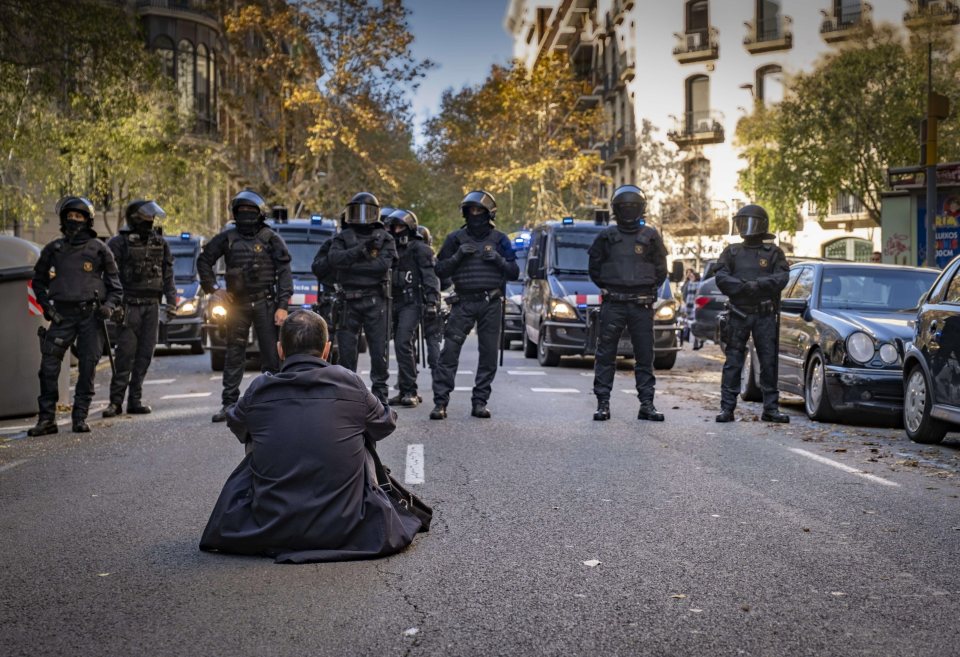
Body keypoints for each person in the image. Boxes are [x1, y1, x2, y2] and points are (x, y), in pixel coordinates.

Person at [199, 309, 423, 563]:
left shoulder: (259, 389)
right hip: (347, 524)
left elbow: (237, 424)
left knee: (256, 433)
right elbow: (385, 423)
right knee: (363, 431)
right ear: (327, 350)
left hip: (271, 525)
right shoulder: (349, 382)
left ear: (280, 350)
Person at [28, 196, 123, 435]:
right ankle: (47, 420)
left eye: (78, 216)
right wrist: (46, 308)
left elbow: (116, 288)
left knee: (87, 368)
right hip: (61, 316)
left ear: (88, 220)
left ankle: (79, 417)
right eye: (69, 216)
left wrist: (108, 307)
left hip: (90, 316)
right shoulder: (54, 249)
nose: (73, 220)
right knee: (48, 368)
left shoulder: (100, 249)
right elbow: (37, 281)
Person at [198, 190, 293, 422]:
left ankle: (273, 403)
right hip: (237, 305)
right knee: (234, 353)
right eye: (242, 211)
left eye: (251, 211)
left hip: (265, 302)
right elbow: (204, 261)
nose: (246, 216)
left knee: (271, 356)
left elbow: (284, 272)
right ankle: (229, 403)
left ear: (260, 214)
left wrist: (282, 305)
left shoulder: (271, 238)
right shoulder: (228, 238)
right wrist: (214, 289)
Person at [430, 190, 519, 420]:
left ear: (489, 213)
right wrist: (458, 256)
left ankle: (480, 402)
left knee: (488, 354)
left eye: (480, 210)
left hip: (491, 302)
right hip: (464, 302)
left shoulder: (500, 240)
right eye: (471, 210)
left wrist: (498, 259)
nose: (475, 214)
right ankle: (440, 403)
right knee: (449, 352)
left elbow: (514, 272)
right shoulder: (455, 239)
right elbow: (439, 270)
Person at [588, 185, 667, 422]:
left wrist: (644, 289)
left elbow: (661, 270)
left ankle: (647, 405)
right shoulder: (606, 237)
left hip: (640, 304)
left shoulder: (651, 236)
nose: (629, 211)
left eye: (633, 207)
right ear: (616, 210)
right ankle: (603, 404)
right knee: (606, 354)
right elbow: (594, 269)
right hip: (614, 303)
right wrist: (612, 288)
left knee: (644, 355)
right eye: (625, 207)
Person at [714, 203, 791, 424]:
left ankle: (770, 408)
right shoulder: (732, 251)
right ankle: (727, 408)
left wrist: (757, 285)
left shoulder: (774, 252)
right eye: (742, 222)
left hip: (765, 314)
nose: (745, 228)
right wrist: (742, 287)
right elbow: (721, 277)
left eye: (750, 223)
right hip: (738, 313)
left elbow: (781, 278)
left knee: (768, 361)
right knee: (733, 361)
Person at [102, 200, 176, 417]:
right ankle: (115, 402)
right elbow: (108, 274)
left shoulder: (160, 243)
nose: (150, 222)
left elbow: (167, 274)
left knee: (145, 355)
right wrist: (112, 303)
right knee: (125, 355)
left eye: (152, 218)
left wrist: (171, 302)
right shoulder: (118, 243)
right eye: (146, 218)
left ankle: (135, 400)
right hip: (129, 306)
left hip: (152, 306)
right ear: (134, 219)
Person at [327, 192, 398, 404]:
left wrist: (352, 264)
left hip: (376, 301)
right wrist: (362, 251)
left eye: (368, 211)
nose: (362, 216)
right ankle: (349, 399)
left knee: (379, 353)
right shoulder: (342, 237)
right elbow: (334, 260)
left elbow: (382, 267)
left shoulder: (384, 238)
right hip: (348, 301)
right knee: (347, 355)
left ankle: (380, 399)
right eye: (358, 211)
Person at [386, 209, 440, 407]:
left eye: (400, 227)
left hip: (412, 302)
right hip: (392, 301)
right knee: (397, 346)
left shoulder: (419, 249)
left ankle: (410, 391)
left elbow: (429, 276)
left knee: (403, 342)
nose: (396, 230)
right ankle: (402, 388)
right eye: (393, 227)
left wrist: (432, 301)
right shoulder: (389, 249)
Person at [417, 225, 444, 371]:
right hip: (432, 302)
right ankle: (437, 375)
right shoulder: (432, 257)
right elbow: (444, 280)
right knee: (433, 341)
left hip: (414, 301)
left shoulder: (409, 255)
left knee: (407, 342)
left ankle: (408, 379)